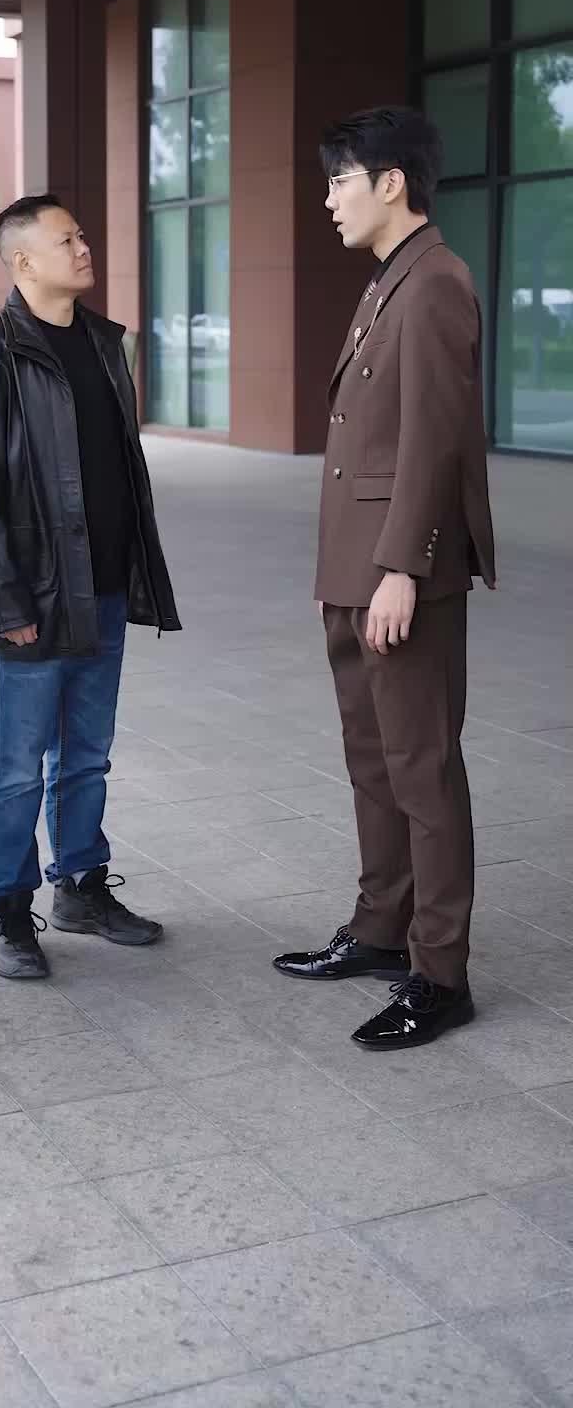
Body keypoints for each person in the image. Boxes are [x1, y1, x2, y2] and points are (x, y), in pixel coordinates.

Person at [274, 106, 495, 1049]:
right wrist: (354, 571)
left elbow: (436, 441)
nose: (328, 198)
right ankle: (379, 929)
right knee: (373, 761)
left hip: (400, 573)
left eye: (340, 179)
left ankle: (439, 974)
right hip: (353, 570)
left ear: (391, 181)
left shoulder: (436, 281)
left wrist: (404, 565)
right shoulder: (388, 281)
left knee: (421, 769)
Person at [0, 194, 181, 979]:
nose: (84, 248)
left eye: (81, 235)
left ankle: (81, 884)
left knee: (87, 755)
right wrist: (3, 604)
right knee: (14, 765)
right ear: (23, 262)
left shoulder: (106, 344)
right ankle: (8, 909)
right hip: (31, 602)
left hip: (103, 588)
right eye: (66, 239)